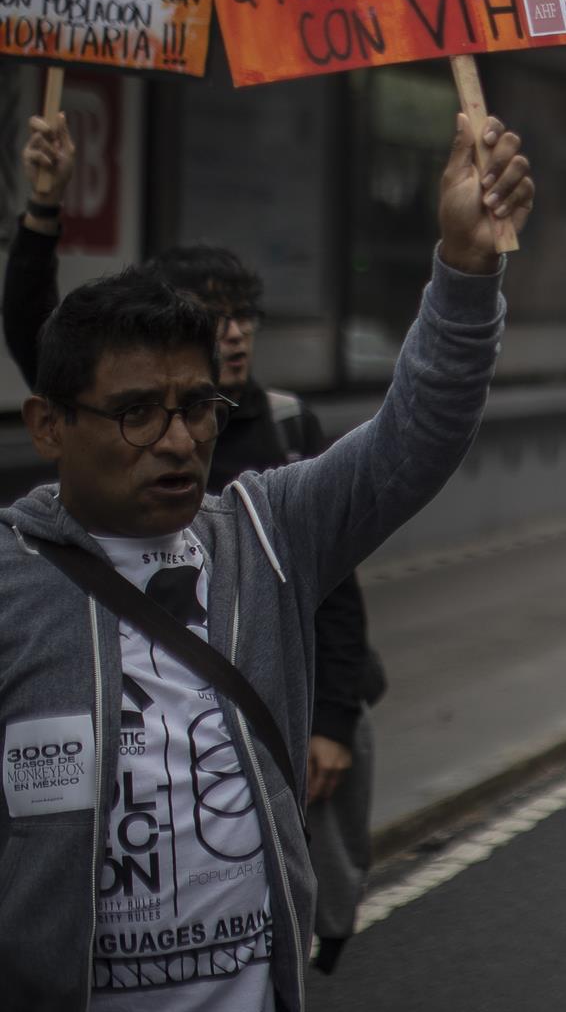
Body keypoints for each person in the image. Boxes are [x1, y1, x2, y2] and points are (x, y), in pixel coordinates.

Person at [0, 111, 532, 1011]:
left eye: (198, 405)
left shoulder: (263, 531)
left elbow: (420, 432)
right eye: (137, 412)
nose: (177, 440)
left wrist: (467, 267)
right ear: (49, 426)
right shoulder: (13, 586)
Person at [4, 111, 384, 973]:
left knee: (294, 869)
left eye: (244, 314)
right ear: (59, 425)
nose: (176, 442)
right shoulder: (92, 431)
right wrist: (44, 211)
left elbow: (338, 584)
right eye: (218, 315)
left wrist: (333, 716)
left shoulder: (284, 427)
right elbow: (37, 330)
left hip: (281, 699)